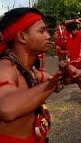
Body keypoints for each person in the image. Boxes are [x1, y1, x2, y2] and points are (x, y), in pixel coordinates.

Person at [0, 8, 61, 142]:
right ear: (22, 37)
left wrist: (68, 77)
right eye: (42, 31)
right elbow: (7, 108)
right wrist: (55, 83)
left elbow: (48, 78)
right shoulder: (4, 69)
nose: (48, 36)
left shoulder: (29, 71)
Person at [60, 19, 81, 102]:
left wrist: (77, 22)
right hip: (74, 61)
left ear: (76, 29)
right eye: (71, 31)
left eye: (74, 30)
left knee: (77, 76)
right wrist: (74, 20)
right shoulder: (69, 36)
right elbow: (64, 23)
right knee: (72, 77)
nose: (72, 32)